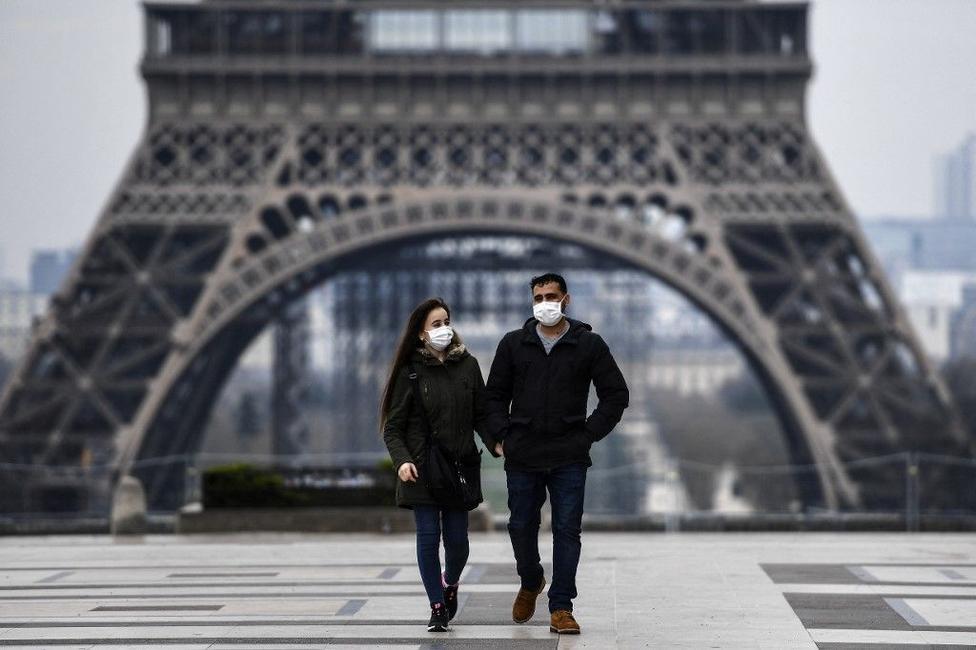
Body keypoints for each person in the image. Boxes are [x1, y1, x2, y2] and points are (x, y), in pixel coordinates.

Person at [486, 273, 629, 635]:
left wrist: (587, 435)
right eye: (538, 297)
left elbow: (616, 394)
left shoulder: (589, 344)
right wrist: (501, 436)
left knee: (567, 530)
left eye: (551, 296)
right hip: (523, 453)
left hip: (568, 454)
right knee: (520, 526)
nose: (544, 303)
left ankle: (561, 606)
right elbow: (493, 397)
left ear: (566, 299)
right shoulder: (513, 344)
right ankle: (532, 579)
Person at [380, 297, 498, 632]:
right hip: (420, 469)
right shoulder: (410, 372)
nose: (444, 328)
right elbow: (393, 427)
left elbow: (481, 415)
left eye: (446, 321)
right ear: (420, 333)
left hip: (458, 467)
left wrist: (496, 443)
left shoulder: (469, 366)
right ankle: (436, 607)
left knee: (458, 543)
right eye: (436, 324)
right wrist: (402, 461)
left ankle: (450, 583)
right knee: (428, 538)